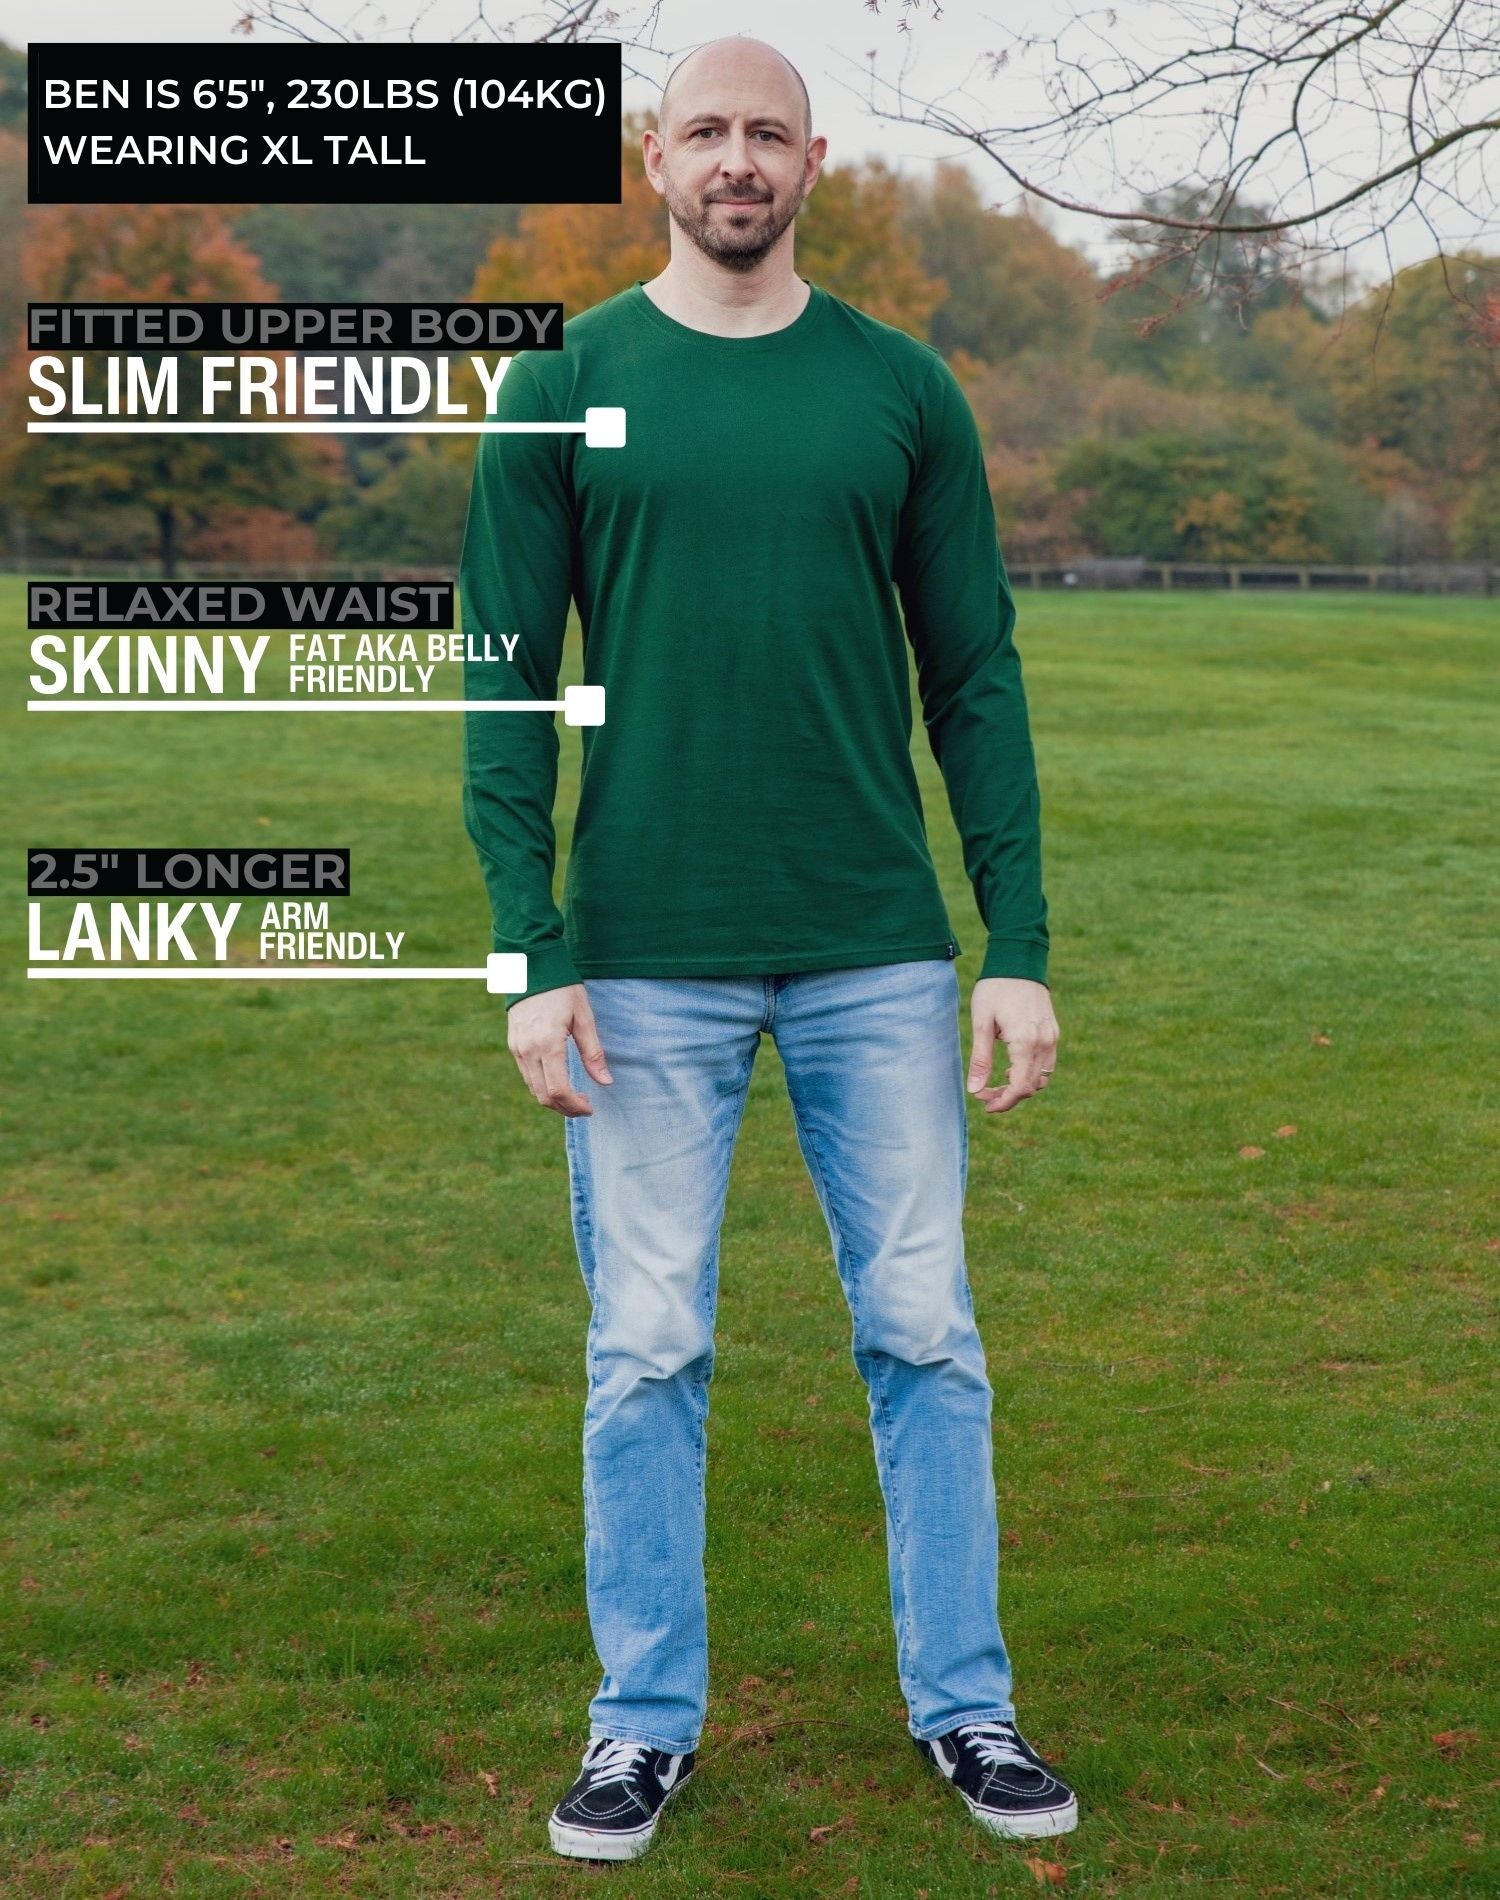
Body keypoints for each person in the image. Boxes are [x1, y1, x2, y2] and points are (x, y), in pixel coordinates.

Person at [460, 32, 1077, 1863]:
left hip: (874, 945)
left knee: (926, 1335)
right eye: (706, 131)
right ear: (653, 155)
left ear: (817, 158)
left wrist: (1015, 939)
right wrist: (526, 949)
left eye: (768, 133)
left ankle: (967, 1708)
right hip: (638, 952)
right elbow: (502, 686)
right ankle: (641, 1725)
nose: (737, 160)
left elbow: (975, 676)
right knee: (645, 1346)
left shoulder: (900, 389)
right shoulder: (561, 380)